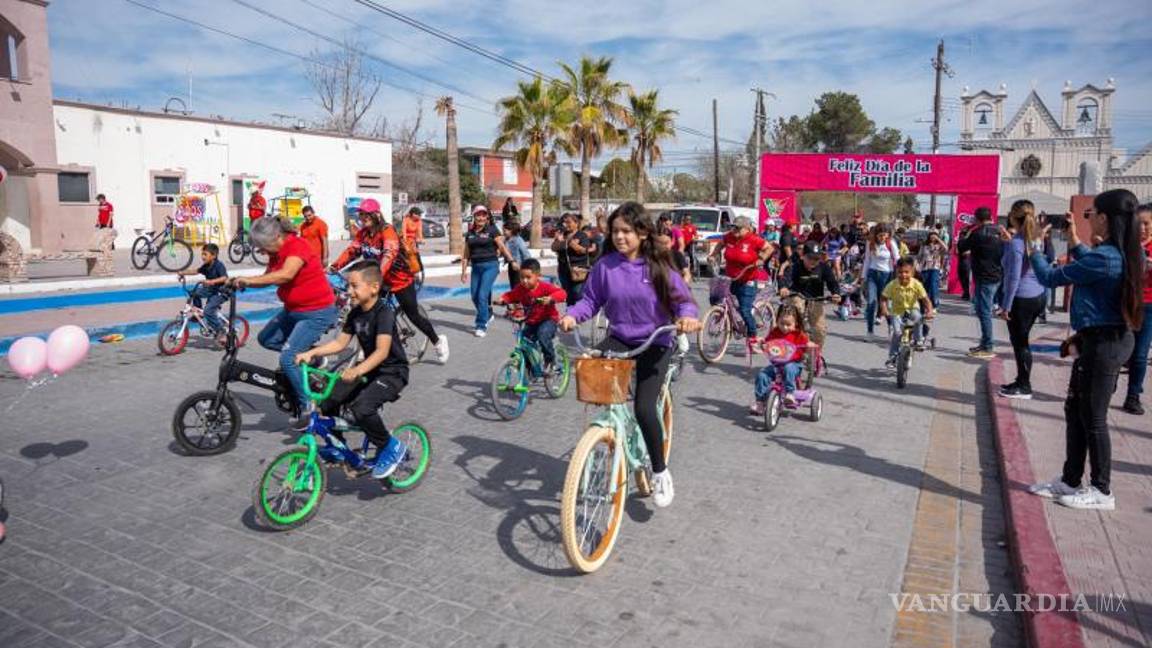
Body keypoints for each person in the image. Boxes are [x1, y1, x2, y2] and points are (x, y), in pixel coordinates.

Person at [560, 202, 700, 508]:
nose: (620, 236)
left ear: (642, 232)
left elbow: (683, 302)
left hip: (656, 341)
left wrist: (687, 317)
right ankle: (606, 437)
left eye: (626, 231)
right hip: (620, 338)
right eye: (615, 231)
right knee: (599, 393)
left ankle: (660, 472)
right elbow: (590, 302)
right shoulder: (605, 266)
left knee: (644, 407)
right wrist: (572, 316)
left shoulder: (659, 265)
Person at [1026, 189, 1145, 510]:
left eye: (1090, 214)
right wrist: (1074, 240)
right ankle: (1069, 480)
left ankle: (1102, 491)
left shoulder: (1105, 258)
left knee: (1093, 418)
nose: (1088, 219)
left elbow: (1049, 277)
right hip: (1100, 340)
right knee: (1075, 411)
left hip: (1104, 344)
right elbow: (1089, 263)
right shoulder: (1120, 253)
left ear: (1104, 218)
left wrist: (1035, 246)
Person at [295, 261, 409, 479]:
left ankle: (391, 446)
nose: (349, 291)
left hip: (392, 372)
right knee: (329, 400)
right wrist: (312, 353)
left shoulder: (383, 313)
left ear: (374, 287)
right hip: (368, 370)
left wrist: (357, 371)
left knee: (361, 408)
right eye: (348, 286)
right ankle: (339, 447)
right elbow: (339, 344)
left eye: (354, 286)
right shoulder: (355, 314)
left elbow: (382, 351)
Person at [235, 216, 337, 428]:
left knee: (288, 358)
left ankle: (308, 406)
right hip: (293, 310)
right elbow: (267, 277)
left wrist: (249, 280)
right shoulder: (276, 252)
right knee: (266, 339)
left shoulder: (297, 245)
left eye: (263, 247)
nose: (262, 252)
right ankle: (314, 359)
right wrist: (237, 282)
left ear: (277, 236)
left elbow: (286, 275)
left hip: (316, 311)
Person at [333, 199, 449, 363]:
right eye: (361, 214)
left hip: (399, 280)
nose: (363, 217)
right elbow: (352, 251)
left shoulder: (387, 231)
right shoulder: (363, 234)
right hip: (378, 281)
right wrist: (335, 266)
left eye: (367, 214)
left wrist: (378, 275)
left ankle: (437, 340)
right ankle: (365, 349)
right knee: (364, 311)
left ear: (376, 214)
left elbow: (389, 254)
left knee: (413, 315)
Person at [997, 200, 1046, 399]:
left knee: (1020, 343)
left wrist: (1006, 306)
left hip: (1021, 299)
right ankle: (1021, 380)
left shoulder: (1018, 243)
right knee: (1022, 342)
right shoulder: (1033, 238)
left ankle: (1024, 386)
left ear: (1012, 217)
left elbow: (1013, 276)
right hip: (1037, 295)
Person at [712, 215, 772, 349]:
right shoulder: (729, 236)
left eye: (739, 228)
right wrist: (714, 255)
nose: (735, 230)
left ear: (747, 228)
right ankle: (732, 322)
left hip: (748, 280)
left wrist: (761, 258)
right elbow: (720, 244)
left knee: (745, 310)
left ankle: (752, 337)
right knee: (717, 299)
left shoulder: (754, 239)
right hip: (730, 278)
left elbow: (769, 248)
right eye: (734, 227)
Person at [498, 259, 566, 370]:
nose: (524, 281)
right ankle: (530, 367)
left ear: (537, 275)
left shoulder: (545, 287)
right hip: (531, 321)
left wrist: (550, 298)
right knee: (524, 342)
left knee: (542, 335)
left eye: (528, 277)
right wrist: (502, 299)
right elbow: (511, 295)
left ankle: (550, 360)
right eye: (522, 277)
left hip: (548, 320)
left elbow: (562, 293)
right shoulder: (521, 289)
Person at [461, 205, 516, 337]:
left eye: (483, 215)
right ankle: (488, 313)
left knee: (482, 295)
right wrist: (463, 272)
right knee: (474, 296)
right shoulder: (470, 233)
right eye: (478, 215)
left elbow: (501, 246)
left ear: (487, 217)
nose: (480, 217)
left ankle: (481, 325)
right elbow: (465, 255)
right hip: (476, 267)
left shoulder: (492, 230)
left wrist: (512, 260)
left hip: (490, 265)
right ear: (474, 217)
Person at [957, 207, 1003, 358]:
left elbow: (962, 247)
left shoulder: (978, 233)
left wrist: (964, 234)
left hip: (984, 277)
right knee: (981, 309)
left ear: (977, 219)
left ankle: (988, 347)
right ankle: (984, 343)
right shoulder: (1000, 231)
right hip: (996, 275)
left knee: (984, 313)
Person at [778, 240, 840, 349]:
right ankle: (793, 340)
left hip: (816, 299)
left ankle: (816, 354)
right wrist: (783, 288)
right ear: (803, 256)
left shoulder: (823, 267)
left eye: (816, 259)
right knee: (796, 305)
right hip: (798, 296)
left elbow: (832, 282)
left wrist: (836, 293)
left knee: (820, 330)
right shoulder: (796, 266)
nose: (813, 261)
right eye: (810, 258)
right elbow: (786, 278)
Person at [1122, 203, 1152, 414]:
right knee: (1120, 350)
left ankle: (1133, 396)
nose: (1142, 228)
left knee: (1140, 354)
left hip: (1149, 307)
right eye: (1138, 223)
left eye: (1146, 223)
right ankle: (1109, 384)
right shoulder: (1126, 245)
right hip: (1126, 304)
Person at [750, 305, 809, 413]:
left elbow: (806, 344)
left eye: (788, 324)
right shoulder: (775, 332)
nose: (785, 327)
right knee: (762, 375)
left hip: (794, 364)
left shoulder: (799, 335)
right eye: (782, 323)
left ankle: (790, 393)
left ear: (795, 323)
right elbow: (767, 342)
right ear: (777, 321)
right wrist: (761, 342)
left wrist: (809, 345)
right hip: (777, 365)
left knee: (788, 368)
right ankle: (760, 402)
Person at [879, 256, 935, 367]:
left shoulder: (916, 284)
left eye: (906, 272)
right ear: (896, 272)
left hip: (912, 309)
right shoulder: (892, 285)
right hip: (897, 312)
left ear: (912, 272)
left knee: (918, 318)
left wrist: (929, 311)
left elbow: (926, 300)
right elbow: (883, 298)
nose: (903, 275)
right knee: (897, 333)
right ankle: (893, 357)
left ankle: (919, 340)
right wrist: (884, 309)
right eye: (900, 272)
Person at [178, 243, 229, 337]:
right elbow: (196, 271)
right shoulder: (206, 266)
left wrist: (212, 281)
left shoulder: (219, 265)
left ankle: (220, 330)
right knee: (194, 293)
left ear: (213, 256)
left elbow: (224, 278)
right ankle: (199, 312)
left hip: (221, 292)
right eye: (202, 254)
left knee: (208, 311)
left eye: (205, 254)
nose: (203, 257)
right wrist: (183, 272)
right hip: (211, 290)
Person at [861, 224, 901, 336]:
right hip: (873, 274)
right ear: (876, 235)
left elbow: (897, 259)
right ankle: (870, 331)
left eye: (885, 235)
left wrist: (901, 276)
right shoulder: (870, 243)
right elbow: (867, 260)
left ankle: (891, 325)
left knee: (886, 304)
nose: (882, 238)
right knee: (871, 303)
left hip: (887, 275)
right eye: (880, 235)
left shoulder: (891, 243)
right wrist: (863, 277)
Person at [552, 213, 593, 307]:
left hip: (577, 270)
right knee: (568, 295)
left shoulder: (582, 235)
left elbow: (582, 251)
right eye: (565, 222)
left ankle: (578, 313)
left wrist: (569, 243)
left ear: (576, 223)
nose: (566, 224)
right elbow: (554, 247)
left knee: (577, 294)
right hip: (563, 270)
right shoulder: (563, 235)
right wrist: (565, 242)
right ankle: (570, 315)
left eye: (568, 222)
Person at [917, 231, 948, 310]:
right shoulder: (924, 246)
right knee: (925, 287)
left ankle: (934, 304)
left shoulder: (939, 246)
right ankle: (926, 304)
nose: (932, 238)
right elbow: (919, 257)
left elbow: (946, 248)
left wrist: (938, 239)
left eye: (934, 237)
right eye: (931, 236)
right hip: (924, 268)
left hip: (935, 268)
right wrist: (916, 266)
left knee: (933, 285)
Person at [504, 220, 531, 288]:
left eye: (505, 230)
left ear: (511, 230)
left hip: (519, 266)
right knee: (513, 285)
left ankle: (519, 298)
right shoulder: (507, 240)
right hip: (511, 265)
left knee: (518, 285)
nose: (504, 232)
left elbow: (526, 254)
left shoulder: (518, 240)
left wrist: (527, 266)